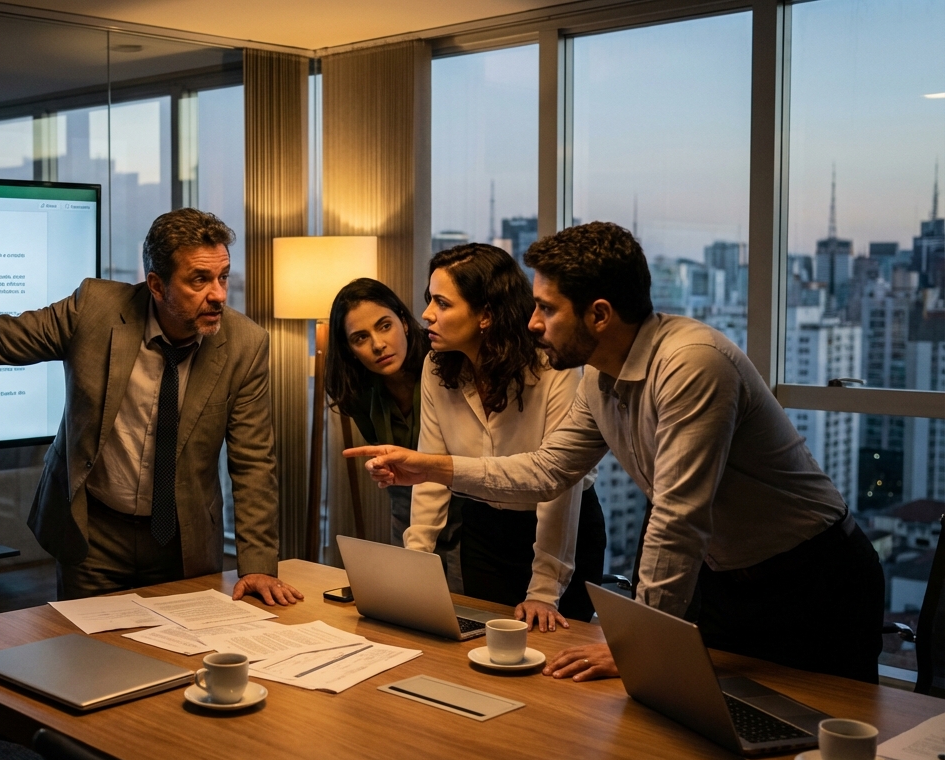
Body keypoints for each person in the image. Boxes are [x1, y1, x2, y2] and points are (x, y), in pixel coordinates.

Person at [347, 222, 884, 684]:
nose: (532, 323)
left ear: (599, 315)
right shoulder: (599, 381)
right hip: (726, 582)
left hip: (814, 580)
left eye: (546, 309)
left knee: (825, 736)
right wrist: (429, 467)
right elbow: (547, 471)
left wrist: (635, 645)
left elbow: (677, 520)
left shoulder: (692, 364)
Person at [0, 209, 302, 606]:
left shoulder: (244, 344)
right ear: (155, 285)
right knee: (86, 665)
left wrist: (257, 563)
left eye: (223, 278)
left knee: (177, 673)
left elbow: (254, 462)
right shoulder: (95, 310)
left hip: (179, 539)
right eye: (199, 280)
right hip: (94, 536)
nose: (218, 295)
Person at [415, 245, 604, 630]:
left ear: (486, 314)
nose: (427, 314)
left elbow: (559, 486)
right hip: (483, 527)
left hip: (561, 527)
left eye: (442, 303)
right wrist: (413, 563)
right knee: (486, 643)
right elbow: (430, 471)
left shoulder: (552, 367)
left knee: (554, 657)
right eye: (429, 300)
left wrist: (544, 589)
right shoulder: (435, 368)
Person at [324, 278, 464, 579]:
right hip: (405, 508)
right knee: (410, 601)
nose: (377, 344)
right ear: (349, 349)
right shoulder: (359, 392)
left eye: (384, 326)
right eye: (360, 338)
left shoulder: (446, 366)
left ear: (403, 320)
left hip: (467, 510)